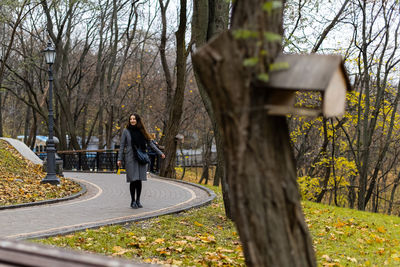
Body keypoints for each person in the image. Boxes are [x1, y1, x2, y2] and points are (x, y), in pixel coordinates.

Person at [117, 114, 165, 209]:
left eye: (134, 119)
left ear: (137, 120)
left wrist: (160, 153)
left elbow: (151, 144)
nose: (132, 120)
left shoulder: (142, 131)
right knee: (133, 180)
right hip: (131, 157)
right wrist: (119, 159)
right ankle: (132, 201)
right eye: (130, 119)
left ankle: (138, 200)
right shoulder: (126, 131)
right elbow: (122, 146)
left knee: (139, 180)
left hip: (141, 158)